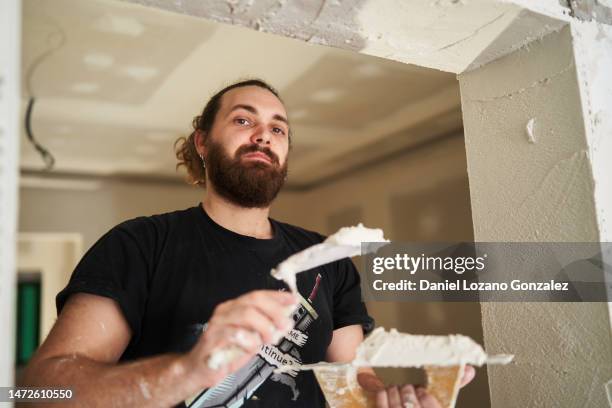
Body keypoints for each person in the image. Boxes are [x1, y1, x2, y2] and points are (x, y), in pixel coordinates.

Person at [21, 79, 474, 407]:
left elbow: (353, 377)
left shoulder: (328, 259)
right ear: (202, 142)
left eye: (278, 129)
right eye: (244, 120)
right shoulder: (139, 245)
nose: (264, 135)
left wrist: (384, 400)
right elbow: (38, 391)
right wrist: (189, 369)